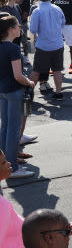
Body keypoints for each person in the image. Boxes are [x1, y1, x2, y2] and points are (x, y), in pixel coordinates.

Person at [0, 15, 34, 179]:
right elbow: (18, 76)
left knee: (5, 127)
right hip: (14, 90)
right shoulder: (13, 48)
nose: (20, 28)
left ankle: (4, 163)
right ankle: (12, 167)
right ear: (10, 29)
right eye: (18, 26)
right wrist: (29, 82)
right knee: (13, 129)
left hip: (3, 90)